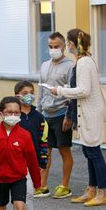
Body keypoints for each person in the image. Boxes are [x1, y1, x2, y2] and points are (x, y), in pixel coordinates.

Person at [50, 29, 106, 207]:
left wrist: (60, 90)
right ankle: (91, 190)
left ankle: (101, 193)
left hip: (90, 113)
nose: (67, 46)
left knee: (94, 153)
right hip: (87, 113)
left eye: (68, 43)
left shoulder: (84, 62)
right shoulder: (85, 60)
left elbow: (84, 90)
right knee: (88, 152)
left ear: (73, 44)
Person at [35, 32, 74, 199]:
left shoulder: (71, 66)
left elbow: (73, 92)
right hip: (45, 114)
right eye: (50, 47)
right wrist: (37, 112)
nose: (53, 49)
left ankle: (65, 186)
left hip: (61, 113)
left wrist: (69, 115)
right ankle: (43, 185)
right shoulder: (44, 65)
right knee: (45, 152)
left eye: (56, 46)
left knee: (64, 150)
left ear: (63, 46)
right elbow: (41, 90)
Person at [14, 81, 49, 210]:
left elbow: (43, 141)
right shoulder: (14, 116)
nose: (29, 95)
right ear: (17, 96)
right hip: (15, 162)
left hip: (32, 162)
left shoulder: (39, 117)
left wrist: (42, 163)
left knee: (29, 194)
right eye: (25, 92)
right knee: (20, 194)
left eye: (31, 92)